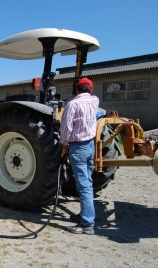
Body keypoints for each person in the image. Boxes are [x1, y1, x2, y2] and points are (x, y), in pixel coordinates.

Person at [60, 77, 99, 235]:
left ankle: (87, 224)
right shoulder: (94, 100)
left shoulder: (72, 105)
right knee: (87, 183)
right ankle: (85, 214)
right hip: (90, 146)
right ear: (90, 90)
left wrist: (64, 146)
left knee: (83, 186)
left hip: (78, 147)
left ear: (76, 89)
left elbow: (66, 128)